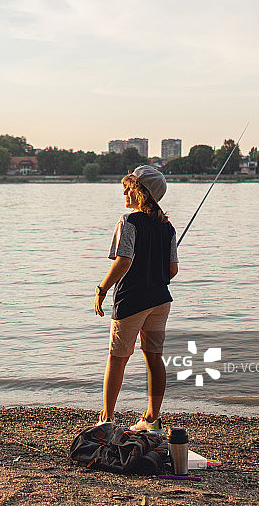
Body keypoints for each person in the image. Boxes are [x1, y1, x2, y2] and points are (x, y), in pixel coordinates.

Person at [93, 165, 179, 432]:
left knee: (117, 357)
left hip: (131, 299)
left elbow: (124, 260)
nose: (124, 193)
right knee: (154, 357)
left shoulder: (128, 221)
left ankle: (107, 419)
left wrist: (102, 289)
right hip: (160, 300)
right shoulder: (168, 228)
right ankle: (151, 419)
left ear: (142, 192)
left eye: (129, 188)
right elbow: (172, 270)